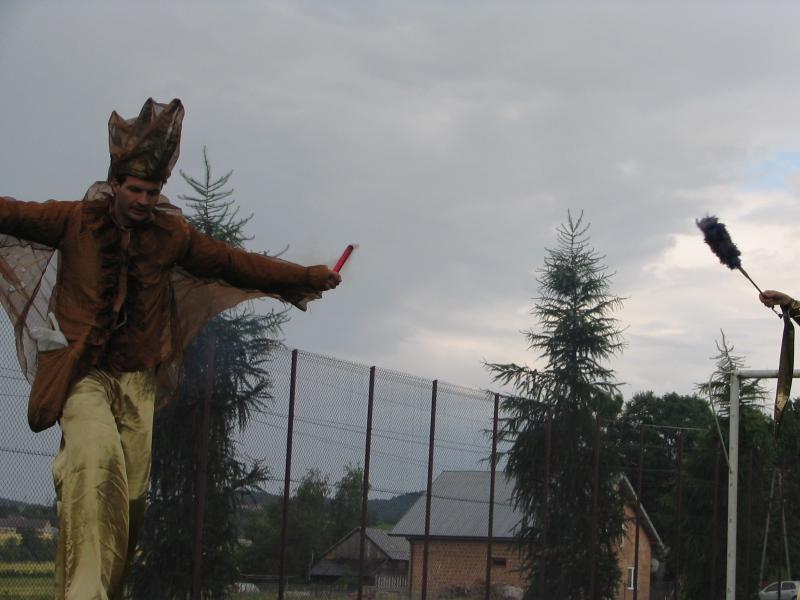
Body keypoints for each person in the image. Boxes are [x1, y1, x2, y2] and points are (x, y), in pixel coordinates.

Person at [0, 98, 340, 599]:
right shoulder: (73, 221)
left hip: (137, 382)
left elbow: (232, 263)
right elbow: (10, 213)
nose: (143, 200)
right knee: (95, 464)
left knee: (131, 502)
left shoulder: (170, 234)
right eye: (135, 189)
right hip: (83, 373)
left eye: (153, 191)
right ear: (115, 184)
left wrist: (305, 278)